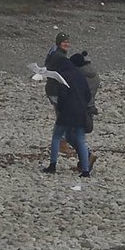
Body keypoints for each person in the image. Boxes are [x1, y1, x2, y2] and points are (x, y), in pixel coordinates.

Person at [45, 45, 94, 175]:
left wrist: (60, 108)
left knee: (56, 136)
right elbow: (88, 95)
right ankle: (85, 170)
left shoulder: (64, 76)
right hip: (81, 112)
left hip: (67, 112)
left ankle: (52, 165)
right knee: (81, 140)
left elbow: (63, 95)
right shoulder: (81, 76)